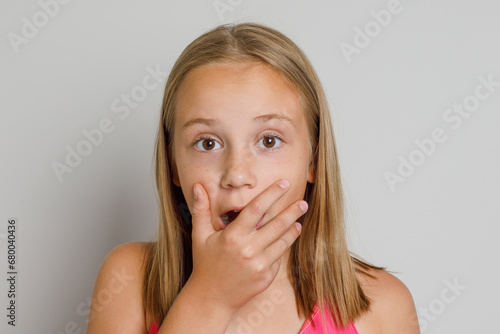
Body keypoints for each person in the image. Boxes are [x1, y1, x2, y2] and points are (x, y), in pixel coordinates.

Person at [85, 22, 420, 334]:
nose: (237, 175)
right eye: (208, 143)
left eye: (269, 141)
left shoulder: (383, 306)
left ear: (313, 160)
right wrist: (209, 298)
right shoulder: (130, 279)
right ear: (173, 164)